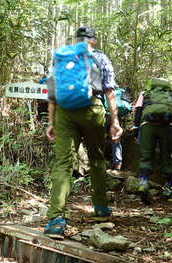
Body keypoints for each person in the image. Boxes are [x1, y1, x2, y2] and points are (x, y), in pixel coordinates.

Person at [43, 26, 122, 239]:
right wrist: (114, 121)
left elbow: (52, 93)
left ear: (76, 40)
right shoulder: (100, 58)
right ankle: (101, 209)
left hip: (64, 112)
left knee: (63, 163)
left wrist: (51, 122)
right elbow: (110, 90)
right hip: (92, 109)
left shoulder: (61, 57)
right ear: (93, 41)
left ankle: (56, 219)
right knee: (96, 159)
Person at [132, 78, 172, 205]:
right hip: (167, 128)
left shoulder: (145, 93)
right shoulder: (170, 94)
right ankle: (170, 189)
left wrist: (135, 127)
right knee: (167, 156)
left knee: (146, 156)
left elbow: (138, 109)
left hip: (147, 126)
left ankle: (144, 183)